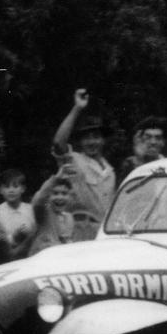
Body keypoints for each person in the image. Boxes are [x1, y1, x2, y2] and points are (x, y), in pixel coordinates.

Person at [52, 88, 115, 242]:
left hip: (102, 232)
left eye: (96, 137)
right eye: (86, 138)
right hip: (79, 229)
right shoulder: (74, 160)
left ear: (103, 140)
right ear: (80, 141)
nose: (91, 142)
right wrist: (77, 108)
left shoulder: (110, 171)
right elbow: (59, 143)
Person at [29, 166, 77, 256]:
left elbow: (67, 240)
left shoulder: (69, 217)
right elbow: (39, 199)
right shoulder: (44, 212)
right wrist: (57, 177)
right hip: (42, 258)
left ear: (70, 196)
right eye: (55, 193)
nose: (60, 197)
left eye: (64, 193)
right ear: (48, 196)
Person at [0, 168, 36, 260]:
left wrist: (28, 235)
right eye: (7, 187)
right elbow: (0, 239)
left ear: (23, 189)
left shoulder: (30, 209)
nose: (11, 190)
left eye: (15, 186)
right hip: (8, 257)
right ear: (0, 190)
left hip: (30, 255)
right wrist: (14, 237)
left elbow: (36, 232)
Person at [118, 116, 167, 182]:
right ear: (139, 139)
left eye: (158, 138)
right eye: (148, 137)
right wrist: (139, 159)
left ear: (163, 142)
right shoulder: (129, 164)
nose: (153, 142)